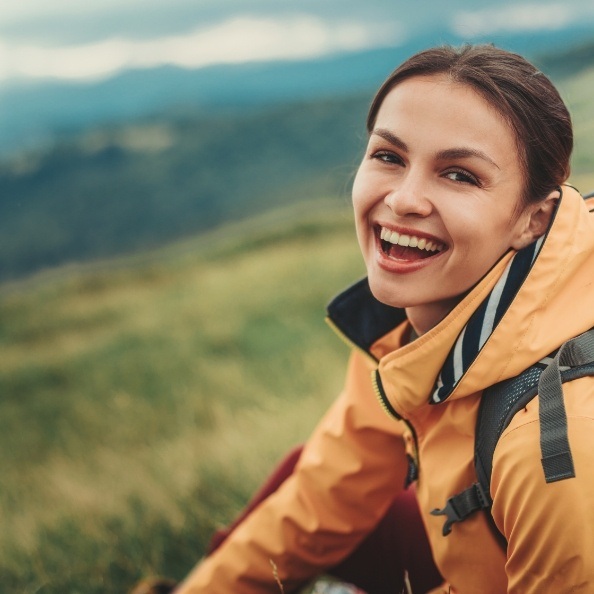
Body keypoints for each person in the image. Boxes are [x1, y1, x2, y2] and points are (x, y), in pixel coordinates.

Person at [155, 44, 594, 593]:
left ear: (535, 218)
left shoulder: (555, 447)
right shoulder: (415, 329)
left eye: (458, 175)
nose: (405, 199)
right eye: (388, 156)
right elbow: (326, 492)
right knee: (303, 473)